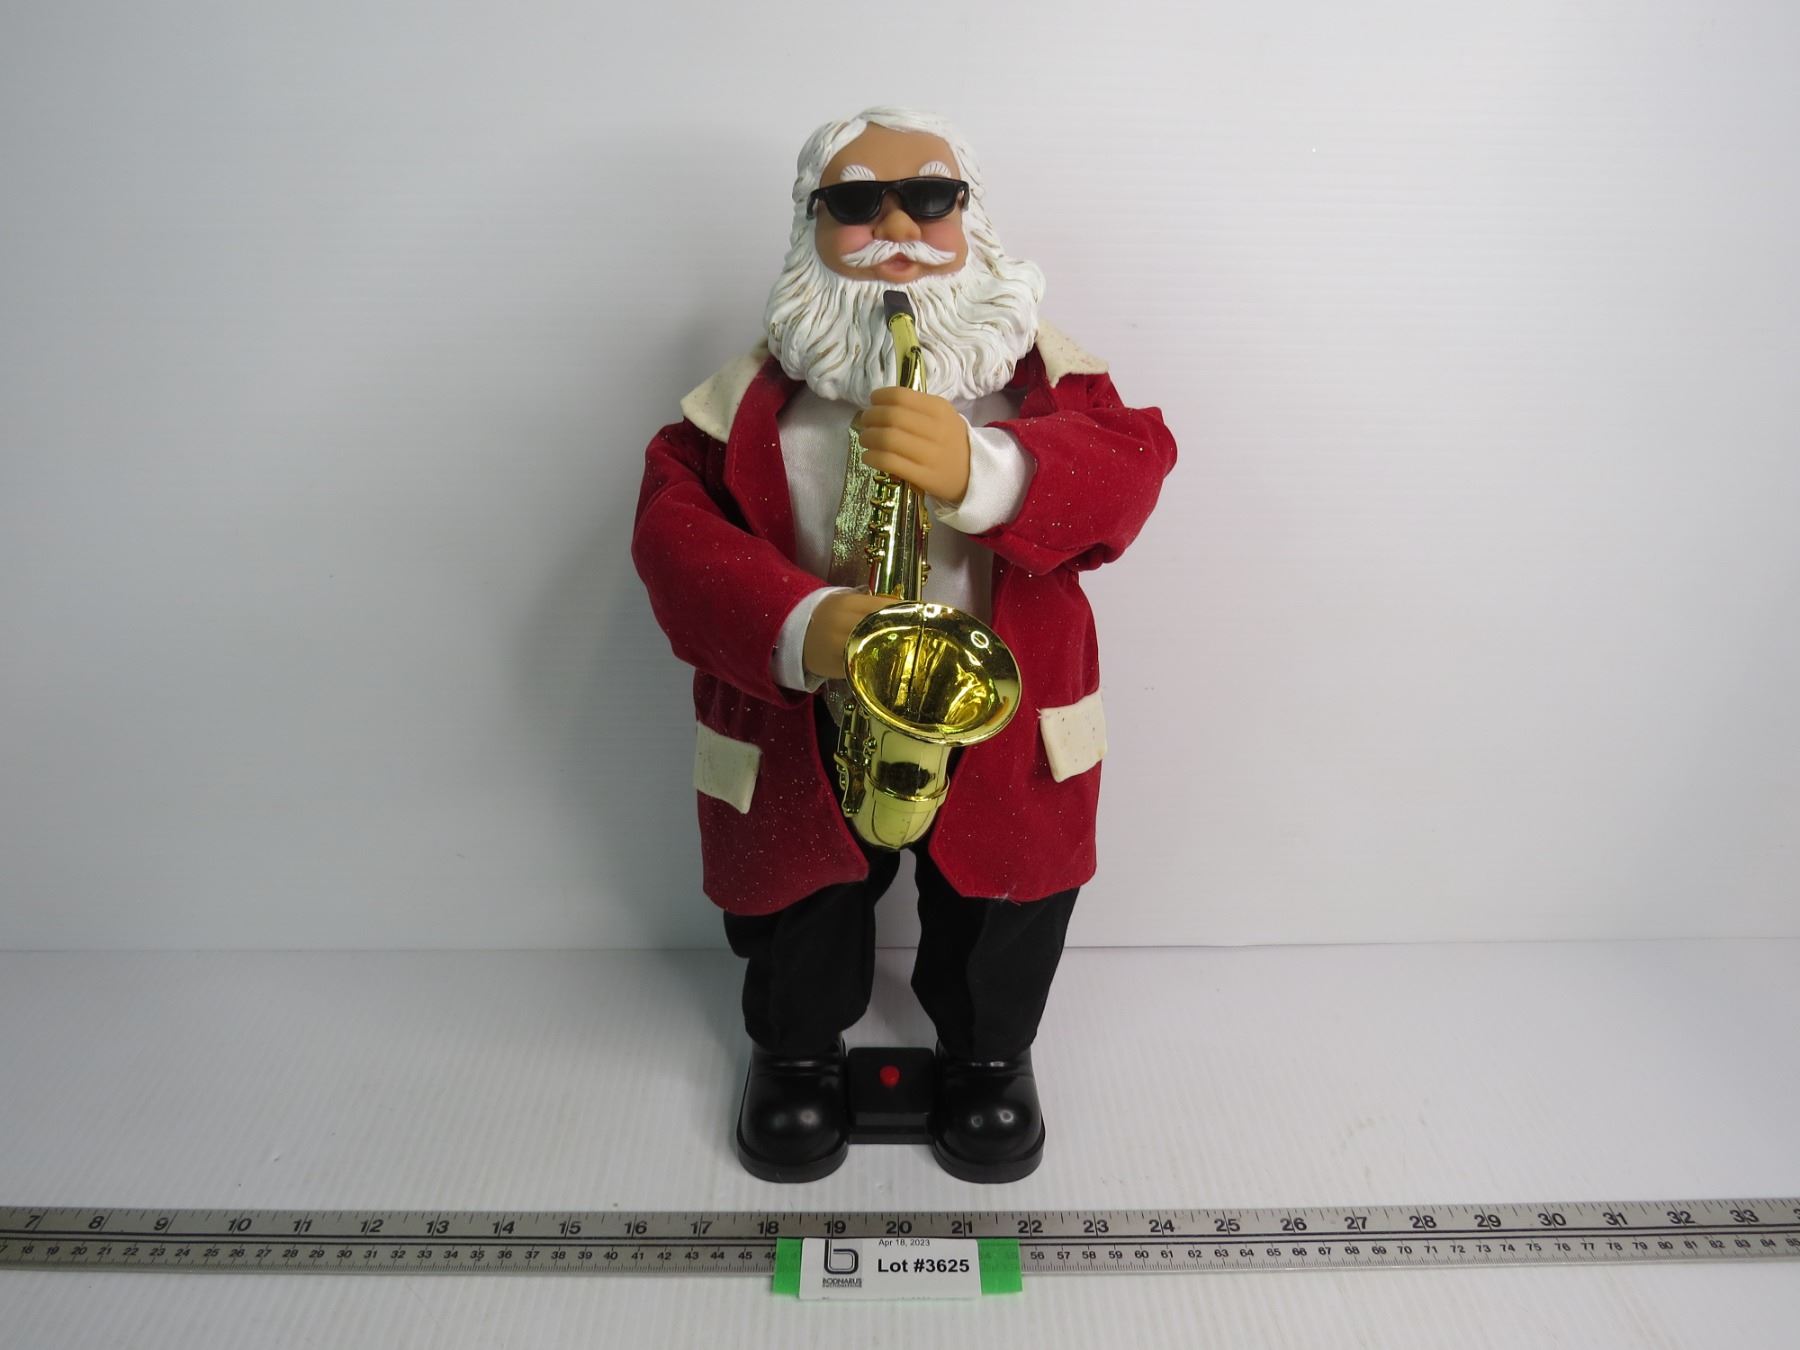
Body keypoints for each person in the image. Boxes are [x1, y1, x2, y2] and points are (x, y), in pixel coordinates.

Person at [632, 106, 1177, 1182]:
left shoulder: (1047, 382)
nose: (897, 228)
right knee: (796, 894)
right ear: (810, 225)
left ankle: (988, 1056)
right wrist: (801, 623)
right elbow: (671, 533)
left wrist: (990, 471)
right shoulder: (739, 406)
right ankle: (794, 1055)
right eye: (855, 202)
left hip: (1003, 717)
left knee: (1007, 898)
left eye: (931, 198)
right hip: (804, 713)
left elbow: (1132, 469)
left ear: (973, 219)